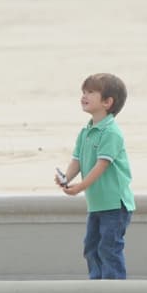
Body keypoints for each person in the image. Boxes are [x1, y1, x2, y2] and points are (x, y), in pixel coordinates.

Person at [57, 73, 135, 279]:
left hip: (115, 204)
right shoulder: (86, 132)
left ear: (108, 102)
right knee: (91, 247)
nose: (84, 96)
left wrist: (80, 187)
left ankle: (114, 290)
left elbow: (101, 166)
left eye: (91, 92)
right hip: (97, 203)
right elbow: (78, 160)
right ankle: (97, 285)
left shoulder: (111, 133)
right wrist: (67, 178)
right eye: (83, 92)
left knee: (109, 248)